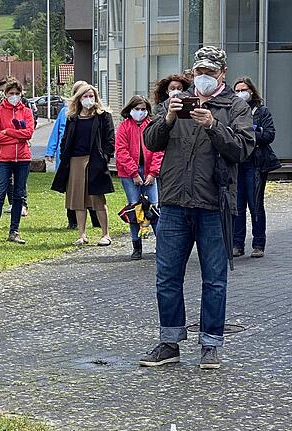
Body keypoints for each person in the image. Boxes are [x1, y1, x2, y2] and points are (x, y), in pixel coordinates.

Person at [140, 46, 254, 370]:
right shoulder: (175, 101)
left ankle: (210, 344)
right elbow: (150, 140)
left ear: (222, 73)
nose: (202, 77)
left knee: (214, 279)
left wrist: (214, 125)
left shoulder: (235, 106)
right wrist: (169, 116)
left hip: (214, 206)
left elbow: (243, 149)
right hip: (175, 202)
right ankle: (169, 341)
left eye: (209, 71)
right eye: (198, 71)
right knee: (166, 276)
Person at [51, 83, 115, 246]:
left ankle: (105, 234)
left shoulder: (103, 116)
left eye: (91, 96)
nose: (88, 99)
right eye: (85, 96)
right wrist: (64, 153)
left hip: (95, 161)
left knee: (98, 199)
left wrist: (105, 158)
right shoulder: (72, 117)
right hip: (75, 162)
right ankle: (82, 234)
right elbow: (65, 139)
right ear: (78, 99)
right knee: (78, 200)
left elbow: (110, 139)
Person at [232, 76, 280, 258]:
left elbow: (269, 135)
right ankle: (237, 244)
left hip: (256, 164)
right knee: (237, 206)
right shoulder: (232, 111)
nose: (240, 93)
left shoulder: (261, 112)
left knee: (256, 205)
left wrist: (251, 133)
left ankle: (258, 244)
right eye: (237, 90)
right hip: (238, 164)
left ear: (251, 91)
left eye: (243, 89)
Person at [45, 80, 100, 230]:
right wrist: (51, 151)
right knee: (73, 190)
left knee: (91, 189)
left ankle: (96, 220)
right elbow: (57, 134)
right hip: (70, 156)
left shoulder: (96, 115)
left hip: (88, 156)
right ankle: (72, 220)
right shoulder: (66, 113)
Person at [0, 78, 34, 245]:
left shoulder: (26, 112)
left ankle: (14, 231)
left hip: (23, 159)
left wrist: (8, 132)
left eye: (17, 94)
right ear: (5, 94)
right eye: (11, 93)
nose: (14, 96)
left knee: (18, 196)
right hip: (3, 159)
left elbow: (28, 133)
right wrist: (16, 137)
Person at [115, 95, 163, 260]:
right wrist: (134, 173)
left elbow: (158, 150)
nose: (140, 112)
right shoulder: (124, 127)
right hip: (130, 174)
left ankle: (161, 246)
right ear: (130, 110)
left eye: (143, 109)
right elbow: (121, 151)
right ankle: (137, 246)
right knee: (135, 210)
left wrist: (153, 173)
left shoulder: (152, 125)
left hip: (150, 171)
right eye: (137, 109)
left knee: (154, 210)